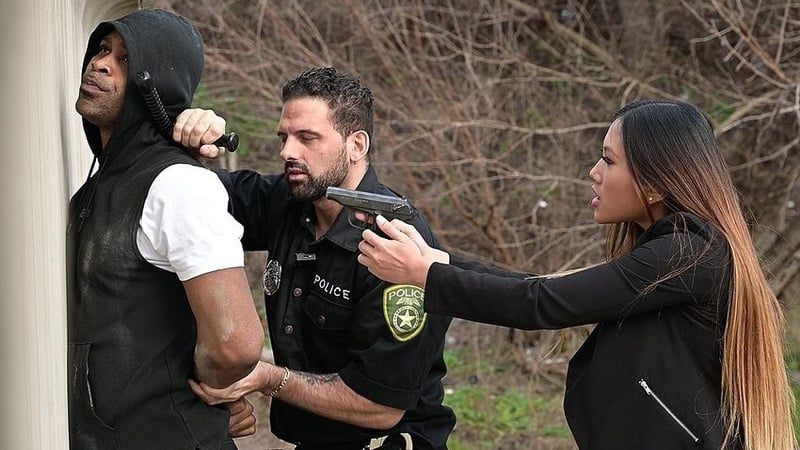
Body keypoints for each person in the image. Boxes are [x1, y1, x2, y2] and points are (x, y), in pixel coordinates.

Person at [356, 99, 797, 450]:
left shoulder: (686, 254)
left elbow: (541, 305)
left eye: (609, 160)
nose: (594, 172)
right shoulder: (681, 250)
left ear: (656, 182)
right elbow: (542, 288)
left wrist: (427, 275)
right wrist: (437, 261)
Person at [184, 67, 456, 450]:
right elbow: (187, 194)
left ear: (356, 145)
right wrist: (185, 138)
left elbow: (380, 407)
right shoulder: (290, 201)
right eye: (284, 138)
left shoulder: (397, 245)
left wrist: (267, 378)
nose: (287, 152)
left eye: (307, 138)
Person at [66, 9, 264, 449]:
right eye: (102, 50)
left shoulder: (179, 185)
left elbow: (235, 344)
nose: (100, 64)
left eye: (125, 60)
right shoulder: (94, 191)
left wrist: (197, 392)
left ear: (156, 85)